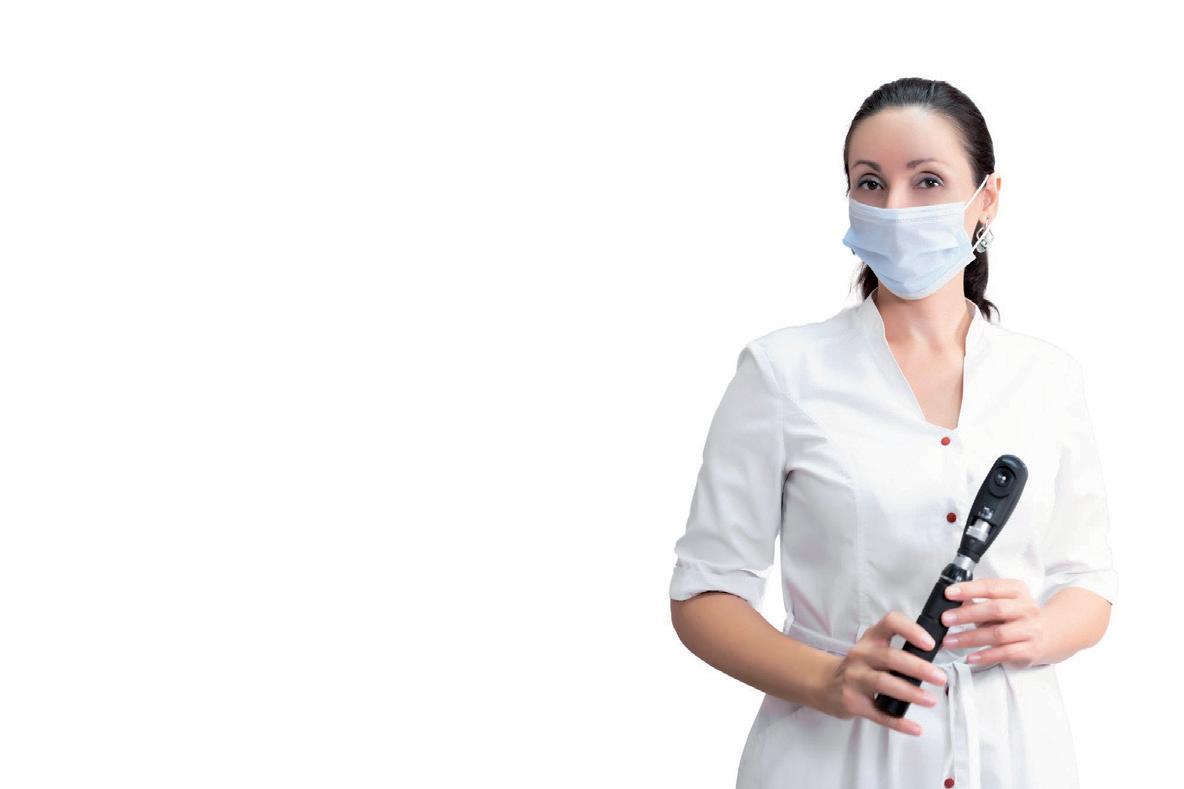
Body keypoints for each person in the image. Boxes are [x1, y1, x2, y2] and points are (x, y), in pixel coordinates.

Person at [667, 77, 1118, 789]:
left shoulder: (1048, 377)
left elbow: (1087, 580)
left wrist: (1042, 631)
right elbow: (704, 593)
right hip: (829, 761)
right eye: (870, 183)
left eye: (927, 181)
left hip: (1017, 757)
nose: (894, 208)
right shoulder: (782, 373)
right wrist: (826, 679)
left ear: (987, 199)